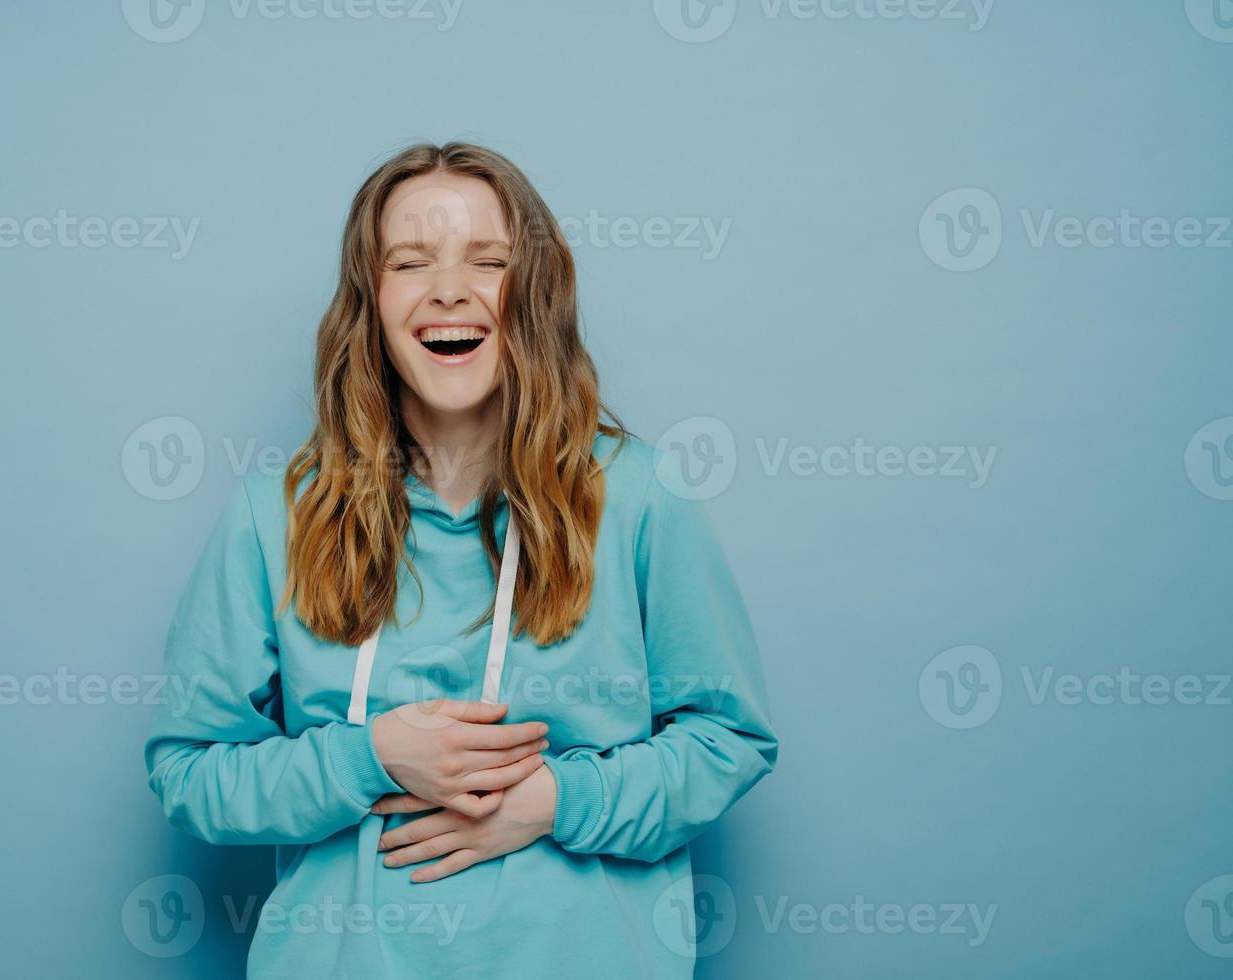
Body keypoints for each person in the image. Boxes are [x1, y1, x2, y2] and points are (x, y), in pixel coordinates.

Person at [142, 141, 779, 978]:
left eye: (489, 260)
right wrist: (370, 757)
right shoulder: (276, 516)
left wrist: (556, 801)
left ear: (535, 295)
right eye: (410, 262)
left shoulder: (640, 498)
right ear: (369, 302)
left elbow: (730, 737)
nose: (450, 288)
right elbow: (189, 772)